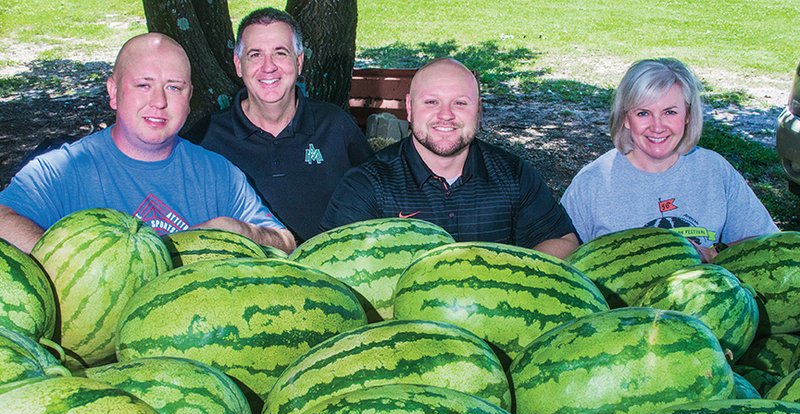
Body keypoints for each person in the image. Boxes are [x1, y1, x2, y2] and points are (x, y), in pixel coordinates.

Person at [0, 33, 295, 255]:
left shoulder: (218, 174)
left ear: (189, 98)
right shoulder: (65, 169)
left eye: (174, 88)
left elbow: (285, 241)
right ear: (113, 92)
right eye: (144, 85)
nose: (159, 102)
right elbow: (4, 216)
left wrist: (239, 231)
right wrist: (63, 267)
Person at [320, 58, 578, 259]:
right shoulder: (366, 185)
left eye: (460, 103)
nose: (446, 115)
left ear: (478, 110)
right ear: (409, 108)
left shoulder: (514, 175)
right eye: (431, 102)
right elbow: (332, 262)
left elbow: (564, 242)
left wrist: (500, 277)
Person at [186, 8, 373, 244]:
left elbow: (376, 194)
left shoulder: (335, 126)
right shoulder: (205, 139)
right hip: (246, 275)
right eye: (255, 55)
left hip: (331, 273)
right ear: (238, 65)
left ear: (299, 61)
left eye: (280, 53)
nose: (268, 67)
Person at [560, 58, 778, 261]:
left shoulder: (714, 171)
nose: (657, 126)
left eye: (670, 112)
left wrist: (712, 253)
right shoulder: (592, 183)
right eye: (643, 113)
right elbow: (566, 263)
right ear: (626, 119)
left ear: (688, 115)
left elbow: (767, 245)